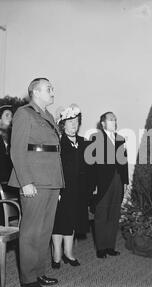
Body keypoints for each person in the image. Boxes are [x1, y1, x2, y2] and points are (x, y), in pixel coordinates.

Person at [8, 78, 64, 287]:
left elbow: (54, 152)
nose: (53, 91)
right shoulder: (24, 113)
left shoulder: (48, 116)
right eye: (49, 88)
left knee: (45, 230)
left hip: (51, 181)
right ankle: (28, 277)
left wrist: (57, 183)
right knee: (31, 230)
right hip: (34, 180)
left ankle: (39, 271)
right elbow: (17, 151)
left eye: (53, 88)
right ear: (35, 92)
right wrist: (26, 182)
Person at [51, 104, 90, 269]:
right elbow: (53, 168)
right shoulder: (58, 143)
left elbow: (88, 168)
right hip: (62, 189)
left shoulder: (83, 143)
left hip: (78, 190)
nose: (74, 125)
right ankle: (56, 255)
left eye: (76, 121)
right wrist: (56, 189)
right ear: (63, 124)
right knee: (59, 222)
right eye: (70, 121)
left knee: (72, 221)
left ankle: (68, 253)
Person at [88, 112, 129, 259]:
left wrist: (125, 182)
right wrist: (93, 186)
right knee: (101, 215)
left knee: (114, 214)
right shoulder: (95, 139)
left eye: (115, 119)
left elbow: (124, 162)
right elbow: (91, 166)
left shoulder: (120, 139)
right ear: (103, 123)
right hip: (103, 182)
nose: (114, 121)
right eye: (111, 119)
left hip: (118, 180)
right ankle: (101, 248)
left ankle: (110, 246)